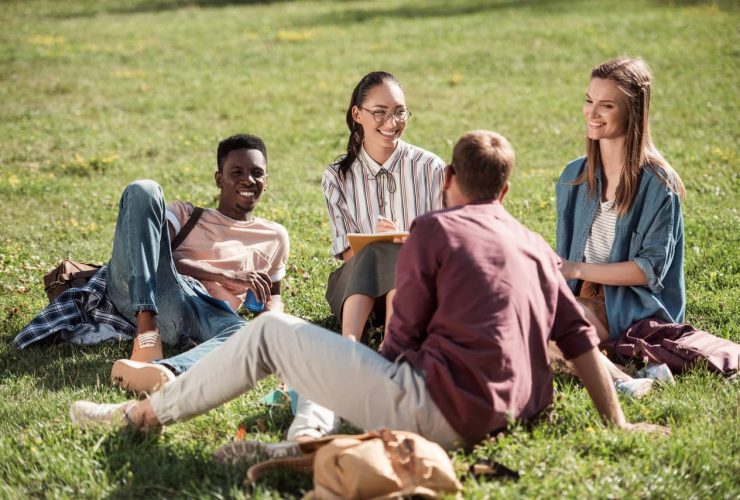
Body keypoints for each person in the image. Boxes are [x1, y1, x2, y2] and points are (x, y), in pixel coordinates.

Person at [70, 130, 668, 452]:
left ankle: (143, 415)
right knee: (319, 359)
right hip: (507, 416)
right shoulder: (536, 247)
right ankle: (301, 443)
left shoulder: (434, 228)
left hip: (437, 410)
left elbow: (403, 333)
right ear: (506, 191)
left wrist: (367, 372)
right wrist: (615, 424)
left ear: (450, 181)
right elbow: (579, 339)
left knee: (276, 331)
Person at [17, 133, 289, 394]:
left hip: (203, 315)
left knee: (246, 334)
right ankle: (146, 330)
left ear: (267, 179)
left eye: (256, 173)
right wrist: (229, 275)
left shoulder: (274, 235)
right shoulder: (186, 214)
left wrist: (271, 318)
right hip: (150, 292)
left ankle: (165, 370)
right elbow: (152, 254)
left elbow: (273, 295)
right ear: (219, 179)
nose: (248, 180)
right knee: (143, 189)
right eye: (237, 172)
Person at [553, 57, 686, 395]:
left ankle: (623, 381)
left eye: (606, 105)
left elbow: (648, 270)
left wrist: (575, 268)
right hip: (580, 296)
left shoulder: (658, 183)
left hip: (632, 305)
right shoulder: (573, 176)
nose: (591, 113)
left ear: (633, 112)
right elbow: (566, 257)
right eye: (588, 100)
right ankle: (631, 369)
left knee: (545, 327)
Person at [322, 71, 445, 343]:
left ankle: (391, 343)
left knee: (402, 253)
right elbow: (346, 256)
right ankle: (353, 344)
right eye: (379, 112)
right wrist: (380, 243)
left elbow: (447, 245)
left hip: (419, 287)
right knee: (384, 248)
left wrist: (412, 243)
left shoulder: (431, 169)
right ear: (357, 114)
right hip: (356, 291)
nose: (392, 122)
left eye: (400, 112)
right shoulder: (337, 176)